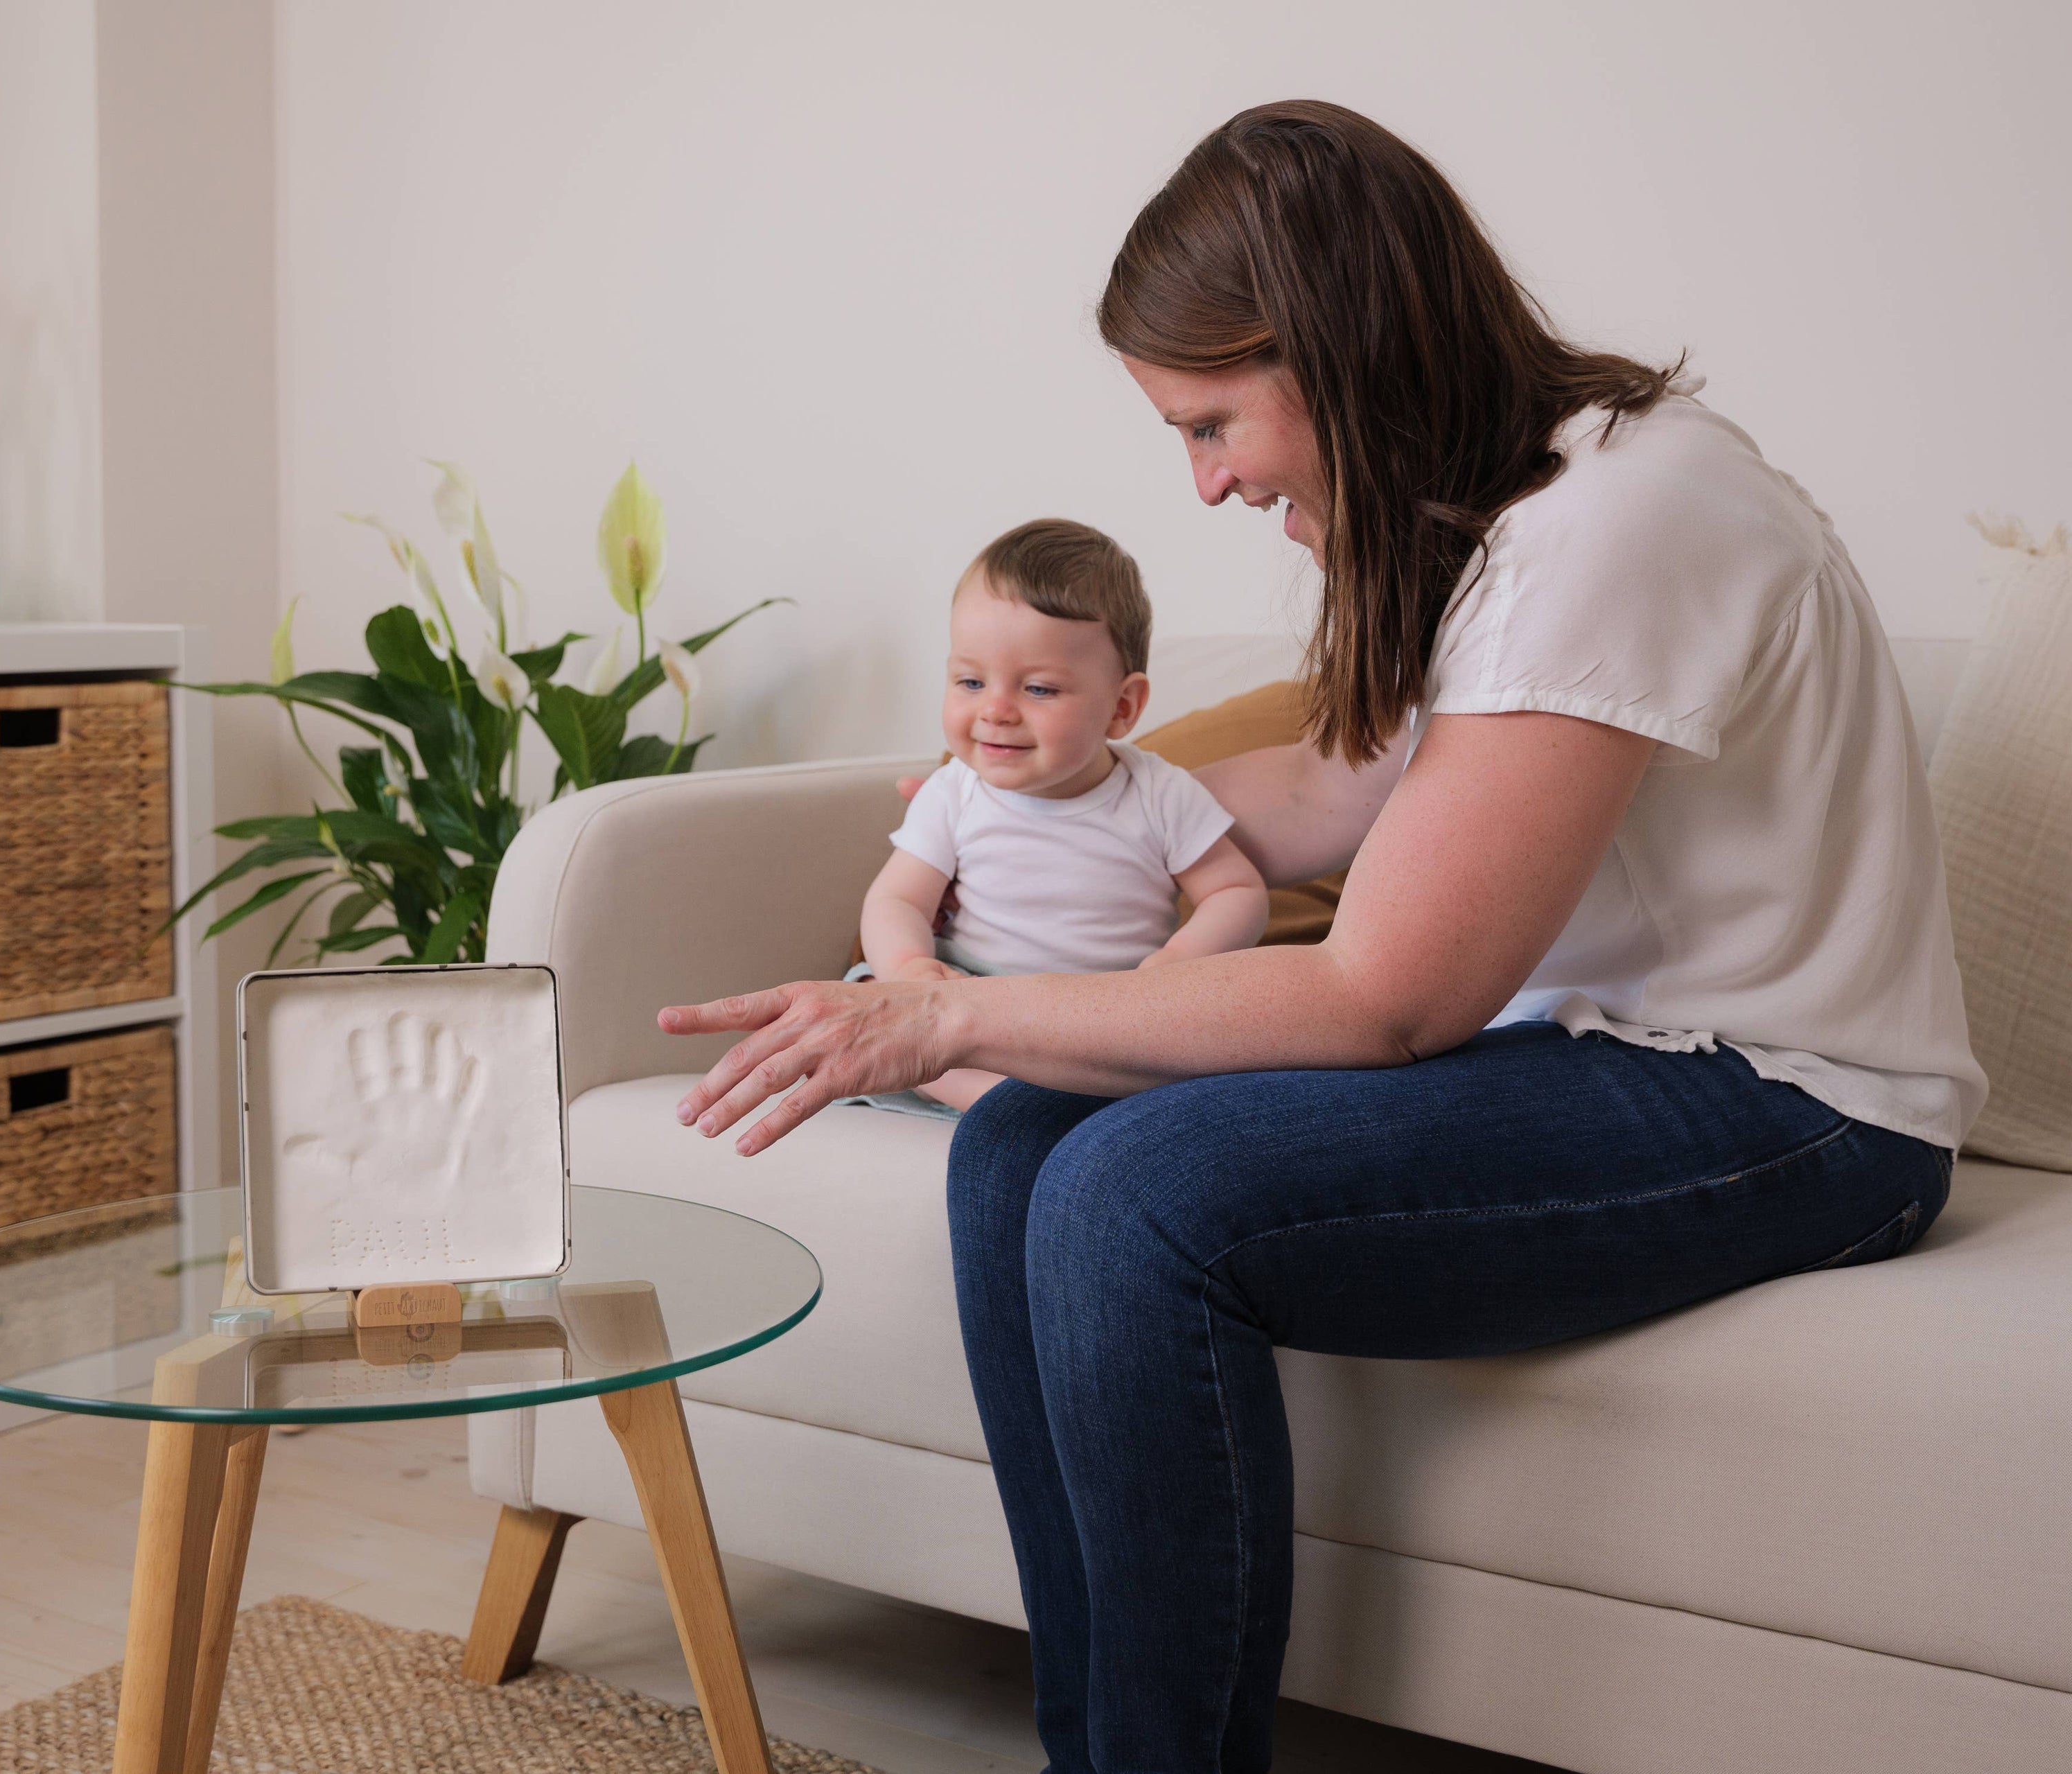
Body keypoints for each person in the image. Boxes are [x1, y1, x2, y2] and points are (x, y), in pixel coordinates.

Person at [658, 99, 1983, 1774]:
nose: (1206, 482)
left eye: (1213, 421)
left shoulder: (1617, 523)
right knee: (1017, 1148)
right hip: (1603, 1056)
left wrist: (941, 1017)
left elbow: (1388, 994)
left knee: (1130, 1198)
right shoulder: (1521, 515)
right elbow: (1330, 790)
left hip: (1800, 1103)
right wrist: (1048, 791)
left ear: (1339, 347)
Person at [859, 518, 1268, 1113]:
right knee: (885, 1006)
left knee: (1212, 1049)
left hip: (1105, 1013)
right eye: (970, 681)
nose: (995, 711)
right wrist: (911, 967)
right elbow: (896, 900)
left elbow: (1236, 890)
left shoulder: (1158, 792)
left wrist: (1176, 967)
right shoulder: (953, 793)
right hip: (975, 1000)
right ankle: (1000, 1103)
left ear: (1122, 707)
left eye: (1040, 690)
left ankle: (1070, 1103)